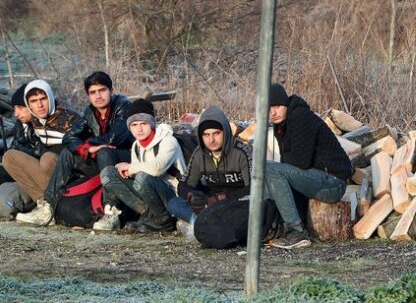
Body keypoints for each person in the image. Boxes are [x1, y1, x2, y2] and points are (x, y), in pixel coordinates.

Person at [264, 83, 353, 249]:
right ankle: (272, 227)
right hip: (316, 178)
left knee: (270, 169)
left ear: (285, 104)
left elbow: (299, 162)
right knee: (268, 175)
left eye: (276, 106)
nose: (273, 113)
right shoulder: (281, 125)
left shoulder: (300, 117)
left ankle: (296, 232)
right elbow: (289, 163)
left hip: (333, 182)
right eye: (268, 109)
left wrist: (284, 170)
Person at [60, 71, 135, 230]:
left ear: (111, 91)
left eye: (102, 90)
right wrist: (86, 147)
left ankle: (111, 212)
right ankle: (49, 204)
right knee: (68, 153)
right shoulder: (90, 113)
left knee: (104, 152)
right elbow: (68, 137)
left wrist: (93, 144)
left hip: (128, 157)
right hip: (105, 159)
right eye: (93, 92)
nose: (98, 96)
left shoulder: (123, 105)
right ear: (88, 96)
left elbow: (116, 137)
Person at [99, 98, 186, 233]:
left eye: (143, 123)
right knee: (108, 174)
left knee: (142, 177)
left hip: (173, 195)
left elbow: (156, 169)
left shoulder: (168, 140)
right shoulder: (136, 146)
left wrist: (131, 167)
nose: (139, 129)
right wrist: (125, 170)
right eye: (134, 125)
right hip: (150, 194)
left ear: (151, 123)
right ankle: (148, 215)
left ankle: (164, 220)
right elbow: (137, 172)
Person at [168, 105, 251, 240]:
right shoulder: (199, 154)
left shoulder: (243, 152)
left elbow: (254, 188)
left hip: (236, 201)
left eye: (216, 133)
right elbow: (184, 183)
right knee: (174, 203)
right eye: (206, 135)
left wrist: (222, 198)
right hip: (209, 203)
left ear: (225, 132)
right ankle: (202, 224)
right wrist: (191, 196)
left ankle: (200, 226)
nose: (211, 140)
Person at [6, 79, 80, 225]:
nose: (39, 105)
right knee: (9, 158)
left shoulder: (69, 118)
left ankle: (52, 206)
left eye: (43, 99)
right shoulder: (29, 124)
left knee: (47, 158)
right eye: (34, 101)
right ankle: (44, 205)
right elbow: (19, 148)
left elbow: (78, 152)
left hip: (71, 174)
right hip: (46, 177)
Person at [0, 84, 43, 217]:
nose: (16, 113)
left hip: (35, 180)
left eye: (20, 108)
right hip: (18, 173)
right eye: (14, 109)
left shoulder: (46, 126)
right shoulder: (21, 125)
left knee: (5, 201)